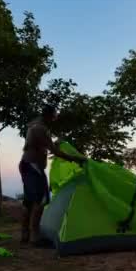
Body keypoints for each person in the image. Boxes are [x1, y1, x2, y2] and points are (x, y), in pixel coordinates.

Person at [19, 104, 86, 246]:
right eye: (55, 116)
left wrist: (55, 143)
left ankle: (25, 234)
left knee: (29, 200)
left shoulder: (35, 125)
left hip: (27, 165)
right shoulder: (40, 128)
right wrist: (75, 158)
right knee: (41, 199)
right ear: (50, 116)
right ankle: (34, 236)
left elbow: (41, 144)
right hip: (33, 167)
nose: (55, 119)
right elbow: (54, 151)